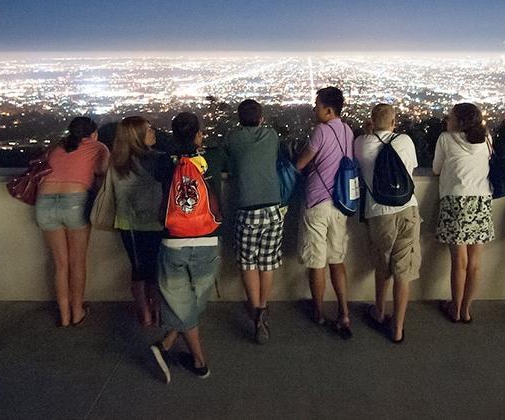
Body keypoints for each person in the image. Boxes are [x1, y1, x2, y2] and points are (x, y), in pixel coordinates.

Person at [150, 112, 223, 382]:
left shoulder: (165, 162)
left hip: (173, 240)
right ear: (197, 134)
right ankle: (199, 361)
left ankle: (165, 345)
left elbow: (158, 174)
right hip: (207, 237)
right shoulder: (211, 159)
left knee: (182, 302)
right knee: (193, 302)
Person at [354, 104, 420, 343]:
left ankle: (379, 312)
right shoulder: (406, 141)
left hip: (379, 213)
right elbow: (410, 169)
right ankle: (398, 328)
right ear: (394, 122)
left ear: (372, 121)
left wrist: (367, 131)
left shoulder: (361, 144)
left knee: (383, 266)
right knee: (404, 270)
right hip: (407, 209)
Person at [36, 116, 109, 327]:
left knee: (60, 263)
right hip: (75, 200)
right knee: (77, 262)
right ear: (93, 133)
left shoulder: (57, 146)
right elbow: (103, 170)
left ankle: (64, 316)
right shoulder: (98, 146)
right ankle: (77, 312)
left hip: (44, 202)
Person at [294, 86, 355, 338]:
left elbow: (301, 163)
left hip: (318, 202)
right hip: (340, 205)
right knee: (336, 260)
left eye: (317, 104)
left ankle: (318, 312)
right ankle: (343, 312)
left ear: (329, 110)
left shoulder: (320, 131)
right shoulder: (348, 130)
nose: (314, 108)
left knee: (316, 262)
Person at [223, 99, 284, 344]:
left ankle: (255, 308)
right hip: (273, 208)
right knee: (266, 263)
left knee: (248, 263)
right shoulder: (271, 136)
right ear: (261, 118)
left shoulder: (233, 138)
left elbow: (228, 157)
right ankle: (264, 307)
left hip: (247, 209)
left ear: (240, 119)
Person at [432, 103, 493, 324]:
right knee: (475, 262)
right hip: (481, 201)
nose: (447, 120)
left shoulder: (445, 139)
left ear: (458, 122)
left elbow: (436, 169)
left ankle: (455, 309)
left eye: (450, 117)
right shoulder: (487, 139)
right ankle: (466, 310)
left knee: (459, 262)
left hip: (455, 200)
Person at [109, 116, 170, 327]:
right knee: (154, 269)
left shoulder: (117, 161)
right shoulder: (159, 159)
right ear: (138, 135)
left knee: (138, 268)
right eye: (149, 129)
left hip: (129, 224)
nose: (153, 132)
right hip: (155, 221)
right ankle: (155, 310)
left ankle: (144, 312)